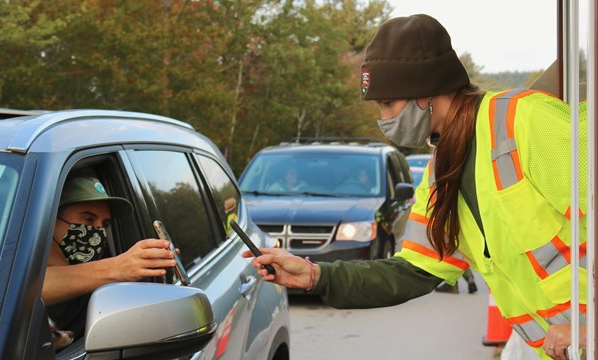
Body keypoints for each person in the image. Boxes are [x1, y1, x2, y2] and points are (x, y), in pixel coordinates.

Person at [243, 14, 588, 360]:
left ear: (426, 91)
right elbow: (413, 271)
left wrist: (591, 322)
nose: (383, 119)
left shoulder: (522, 121)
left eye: (387, 103)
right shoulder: (443, 170)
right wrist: (316, 276)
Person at [43, 176, 177, 340]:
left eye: (105, 224)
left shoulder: (101, 285)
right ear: (51, 220)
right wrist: (117, 268)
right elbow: (27, 288)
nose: (99, 230)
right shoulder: (16, 263)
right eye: (89, 219)